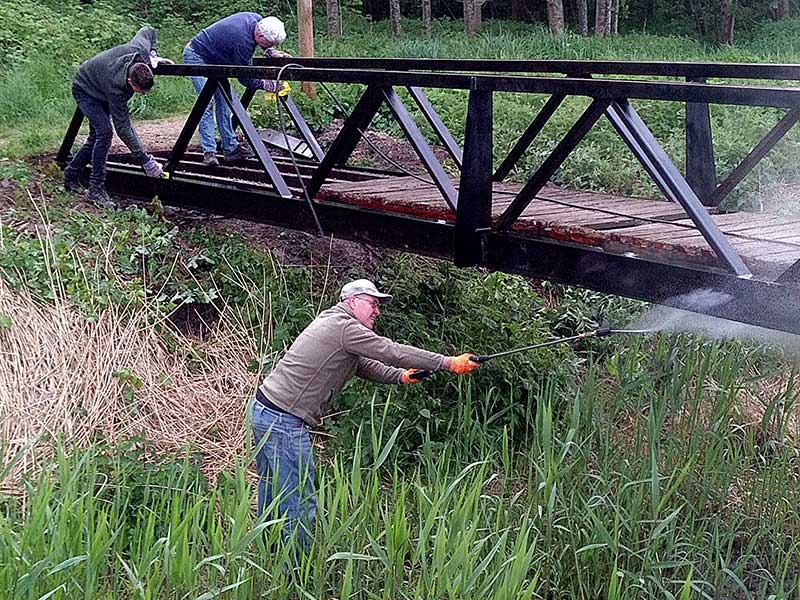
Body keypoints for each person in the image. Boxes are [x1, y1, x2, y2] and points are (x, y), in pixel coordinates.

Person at [251, 279, 481, 551]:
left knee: (274, 489)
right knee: (298, 497)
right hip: (283, 421)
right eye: (373, 303)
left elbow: (362, 365)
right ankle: (293, 572)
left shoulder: (333, 322)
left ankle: (269, 553)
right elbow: (390, 350)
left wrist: (401, 377)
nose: (377, 311)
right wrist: (448, 362)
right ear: (352, 302)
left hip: (266, 410)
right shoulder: (344, 327)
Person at [64, 26, 168, 208]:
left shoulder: (139, 51)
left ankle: (71, 174)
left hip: (99, 81)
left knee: (96, 136)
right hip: (86, 89)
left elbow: (148, 30)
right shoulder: (116, 88)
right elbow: (124, 128)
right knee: (104, 133)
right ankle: (96, 189)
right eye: (140, 91)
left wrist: (153, 53)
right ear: (130, 82)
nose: (143, 94)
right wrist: (145, 160)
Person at [183, 13, 290, 167]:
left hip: (216, 59)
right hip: (197, 55)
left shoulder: (256, 19)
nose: (268, 45)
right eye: (268, 43)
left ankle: (230, 148)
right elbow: (245, 78)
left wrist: (269, 51)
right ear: (259, 34)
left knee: (225, 101)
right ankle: (209, 152)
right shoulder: (243, 43)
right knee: (207, 102)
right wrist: (266, 85)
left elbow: (256, 47)